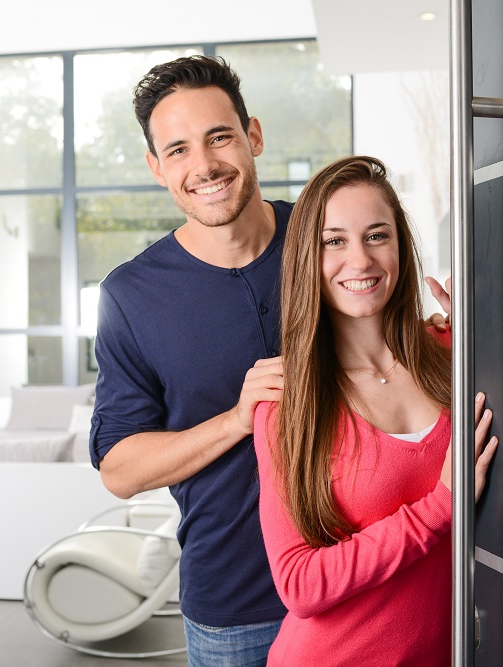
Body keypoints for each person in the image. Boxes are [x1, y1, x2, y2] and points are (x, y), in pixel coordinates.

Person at [253, 155, 499, 666]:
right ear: (307, 258)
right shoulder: (287, 403)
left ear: (401, 249)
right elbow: (299, 583)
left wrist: (489, 333)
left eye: (377, 235)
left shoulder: (452, 349)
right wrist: (440, 507)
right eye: (334, 241)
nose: (360, 261)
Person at [89, 55, 291, 665]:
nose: (203, 166)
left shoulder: (323, 236)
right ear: (157, 167)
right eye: (177, 149)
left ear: (252, 135)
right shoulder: (129, 295)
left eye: (219, 137)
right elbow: (120, 469)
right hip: (236, 610)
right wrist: (237, 418)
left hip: (363, 581)